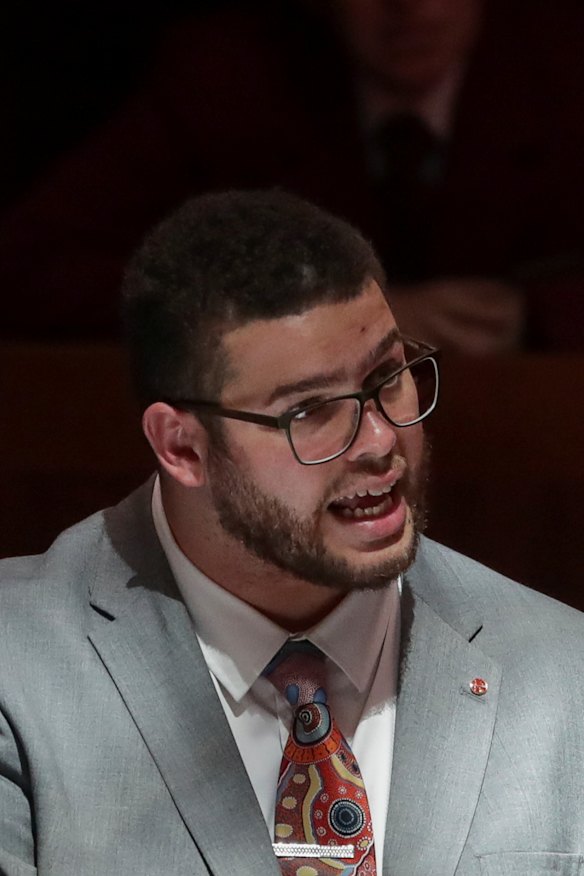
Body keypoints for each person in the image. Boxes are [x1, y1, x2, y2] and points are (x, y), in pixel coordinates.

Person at [0, 190, 583, 876]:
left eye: (389, 378)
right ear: (182, 446)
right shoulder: (19, 666)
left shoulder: (563, 671)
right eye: (308, 411)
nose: (380, 440)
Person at [1, 0, 583, 350]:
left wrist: (539, 320)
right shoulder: (228, 76)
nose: (412, 6)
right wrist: (306, 310)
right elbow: (28, 266)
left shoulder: (561, 62)